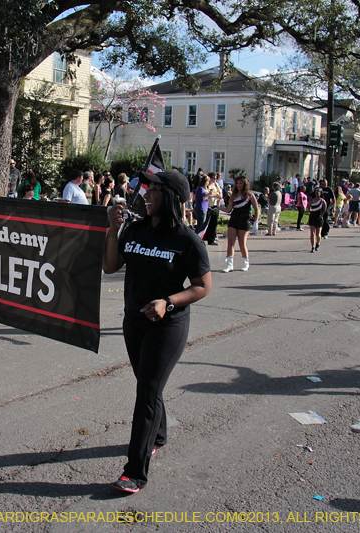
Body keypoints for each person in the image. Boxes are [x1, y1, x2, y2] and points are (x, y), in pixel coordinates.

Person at [103, 169, 211, 494]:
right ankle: (158, 434)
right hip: (134, 322)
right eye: (146, 190)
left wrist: (168, 301)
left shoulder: (187, 240)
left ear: (171, 198)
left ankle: (134, 471)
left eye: (154, 191)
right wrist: (112, 229)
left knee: (147, 391)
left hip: (168, 325)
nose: (145, 195)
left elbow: (203, 286)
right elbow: (110, 266)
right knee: (147, 385)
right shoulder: (134, 230)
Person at [221, 177, 259, 272]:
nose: (238, 185)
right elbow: (228, 209)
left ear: (245, 184)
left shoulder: (250, 195)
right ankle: (229, 264)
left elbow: (256, 208)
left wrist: (256, 221)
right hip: (234, 219)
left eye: (241, 183)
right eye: (237, 183)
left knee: (242, 244)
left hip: (244, 220)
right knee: (230, 242)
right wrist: (217, 208)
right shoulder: (233, 195)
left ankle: (246, 263)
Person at [307, 188, 327, 252]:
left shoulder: (322, 201)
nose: (317, 193)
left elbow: (324, 210)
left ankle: (317, 244)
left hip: (319, 217)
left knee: (318, 234)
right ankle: (312, 247)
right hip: (312, 217)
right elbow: (309, 207)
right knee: (312, 233)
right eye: (316, 191)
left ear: (321, 193)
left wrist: (321, 215)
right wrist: (311, 212)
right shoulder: (312, 200)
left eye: (319, 192)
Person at [205, 175, 223, 245]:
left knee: (214, 223)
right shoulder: (207, 185)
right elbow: (207, 195)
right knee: (206, 223)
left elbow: (220, 195)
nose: (215, 179)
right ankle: (205, 237)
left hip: (215, 206)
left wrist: (214, 194)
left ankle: (211, 239)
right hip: (208, 206)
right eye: (214, 178)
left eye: (216, 178)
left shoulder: (216, 185)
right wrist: (215, 194)